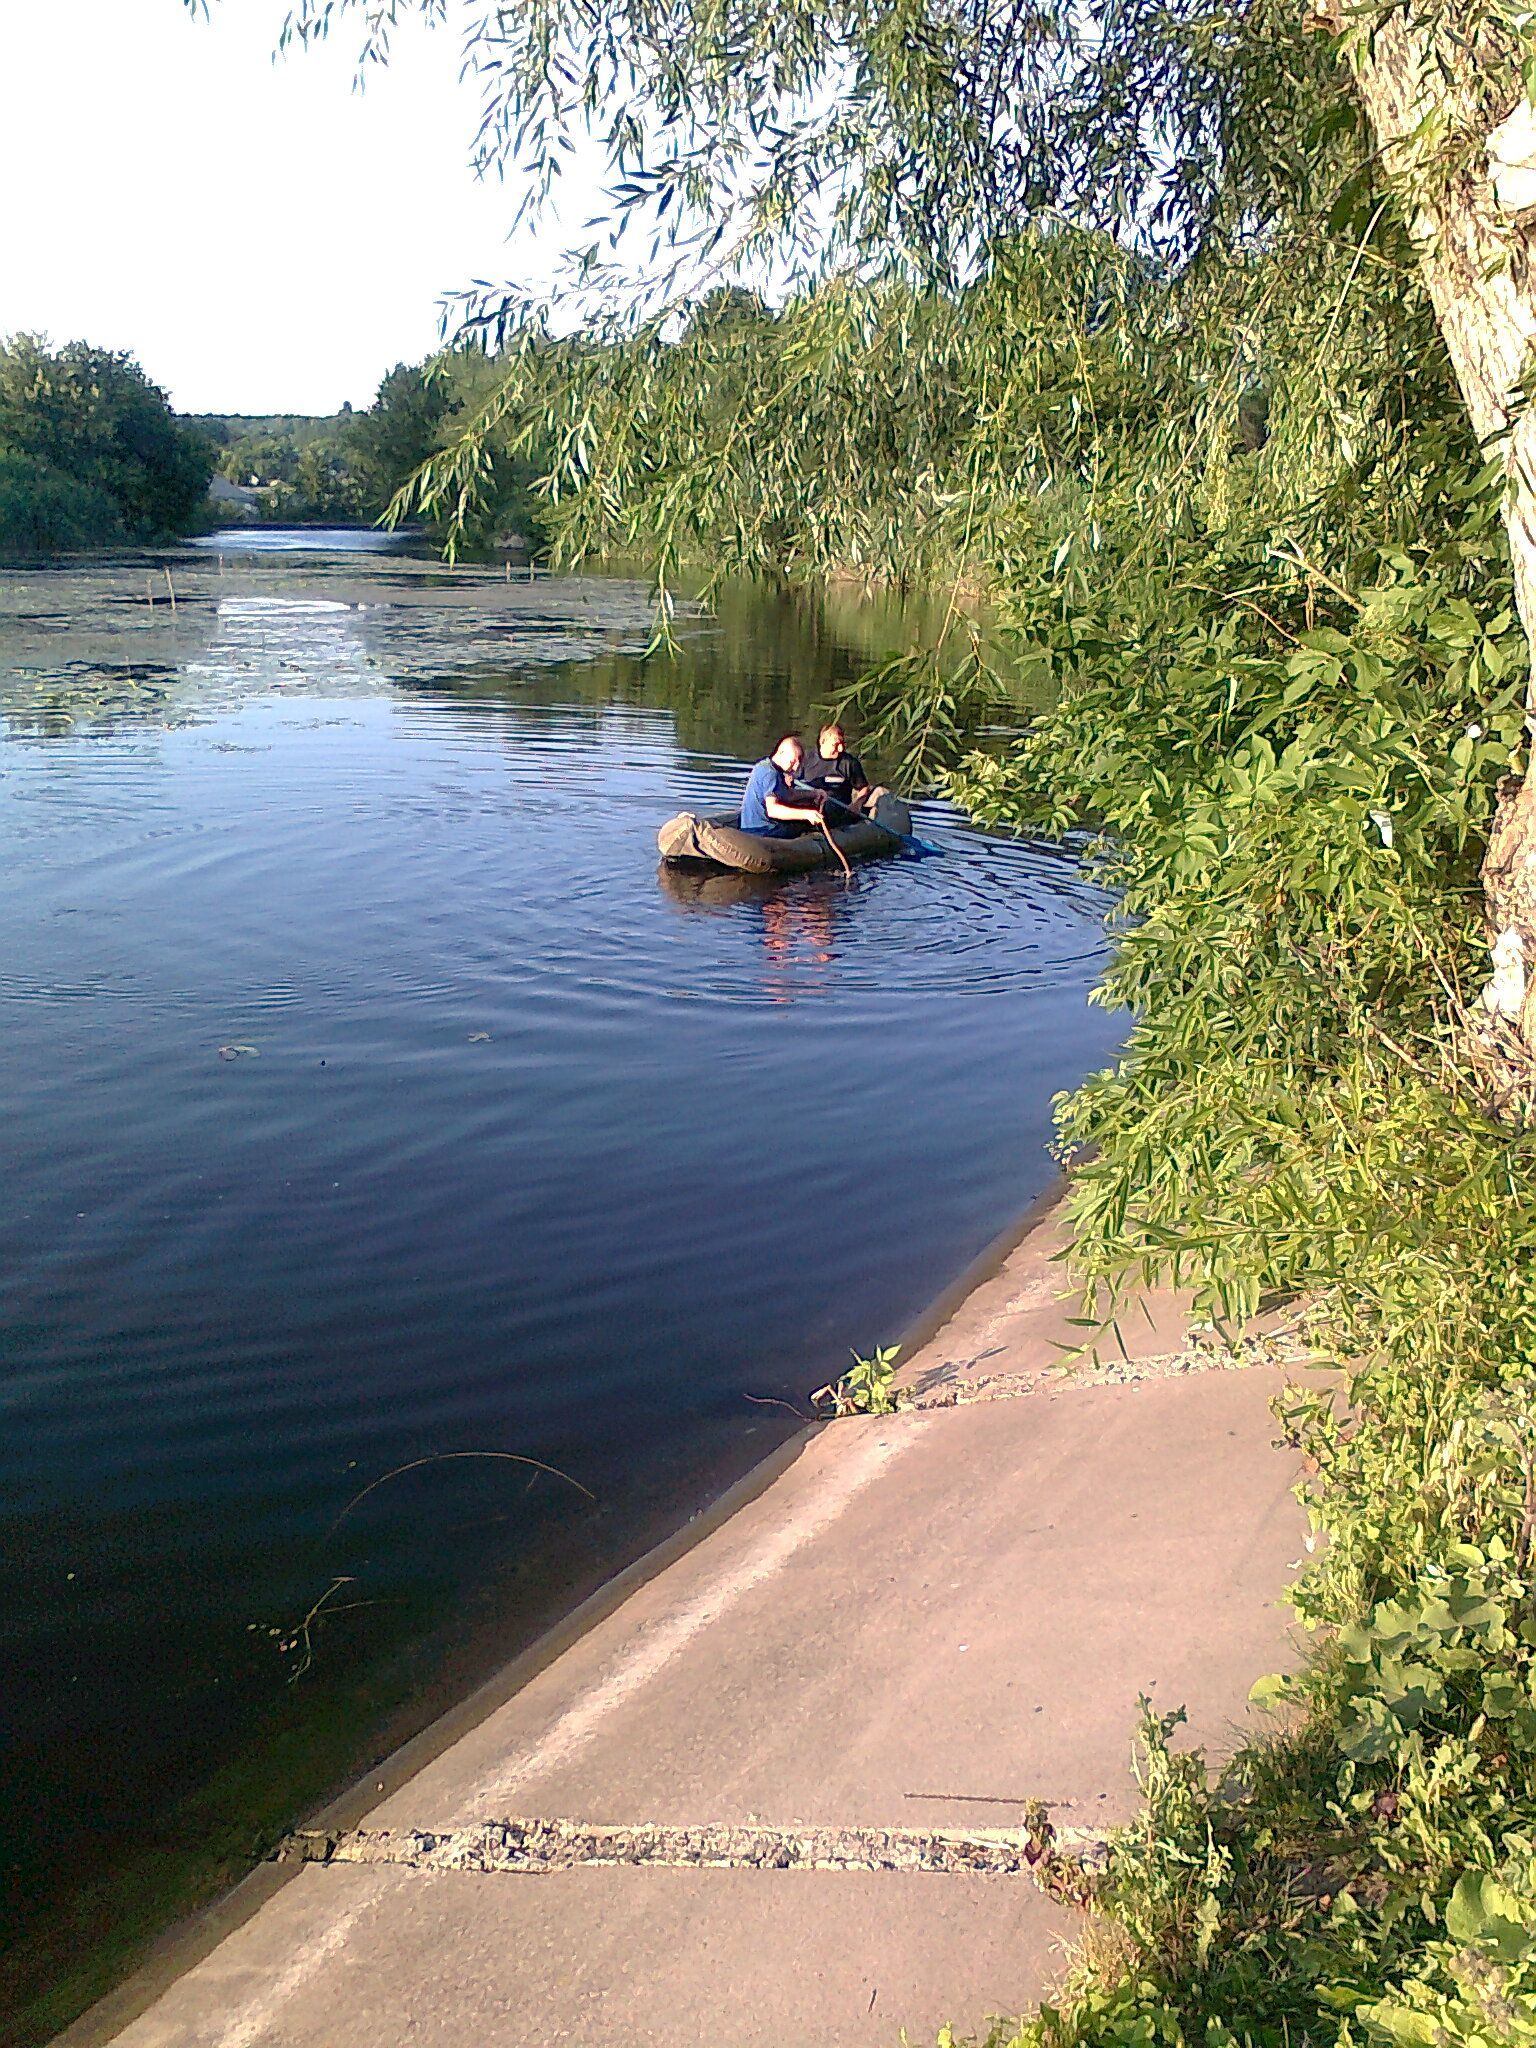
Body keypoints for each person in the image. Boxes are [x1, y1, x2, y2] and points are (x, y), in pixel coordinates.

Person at [739, 735, 829, 836]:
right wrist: (806, 814)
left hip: (753, 826)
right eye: (793, 761)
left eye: (798, 762)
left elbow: (789, 795)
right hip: (761, 830)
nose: (795, 768)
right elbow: (773, 810)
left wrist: (814, 794)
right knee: (802, 826)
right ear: (781, 753)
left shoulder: (768, 767)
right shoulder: (770, 773)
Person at [801, 723, 875, 820]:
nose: (840, 749)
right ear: (822, 741)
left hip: (837, 811)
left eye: (842, 743)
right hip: (809, 809)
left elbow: (864, 788)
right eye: (835, 744)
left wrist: (857, 804)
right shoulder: (805, 759)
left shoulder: (849, 763)